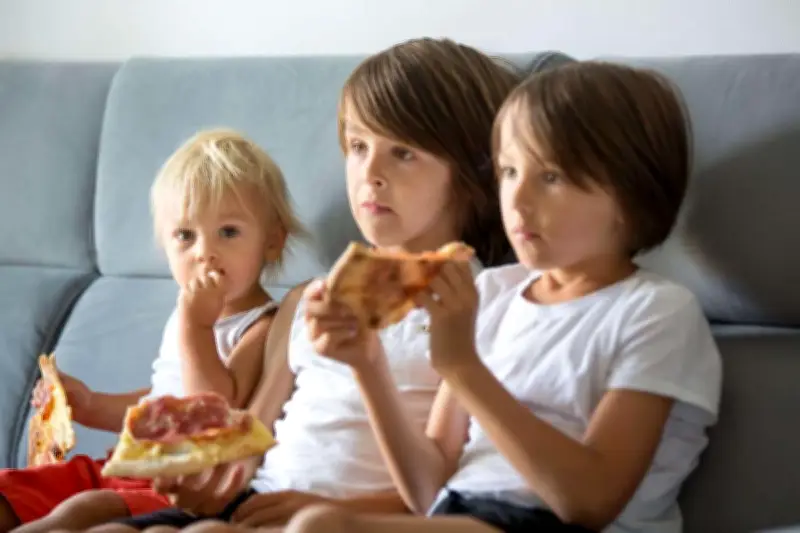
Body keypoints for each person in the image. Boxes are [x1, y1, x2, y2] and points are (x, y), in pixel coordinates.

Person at [86, 37, 522, 532]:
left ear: (470, 171)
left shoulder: (482, 304)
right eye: (358, 147)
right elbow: (252, 437)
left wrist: (343, 515)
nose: (370, 174)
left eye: (402, 153)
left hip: (351, 520)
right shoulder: (308, 297)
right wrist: (205, 483)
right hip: (255, 505)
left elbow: (448, 483)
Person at [296, 61, 723, 533]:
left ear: (631, 192)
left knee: (319, 528)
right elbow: (426, 492)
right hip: (461, 513)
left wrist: (462, 367)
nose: (517, 200)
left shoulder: (657, 311)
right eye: (509, 171)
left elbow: (590, 503)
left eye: (552, 177)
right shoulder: (493, 293)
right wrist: (368, 366)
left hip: (554, 522)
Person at [0, 128, 306, 533]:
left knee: (81, 511)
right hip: (126, 463)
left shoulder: (261, 326)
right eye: (185, 235)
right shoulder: (184, 317)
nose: (204, 252)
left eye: (228, 232)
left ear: (272, 242)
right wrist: (89, 403)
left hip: (176, 484)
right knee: (13, 488)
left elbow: (209, 412)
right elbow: (163, 407)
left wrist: (195, 325)